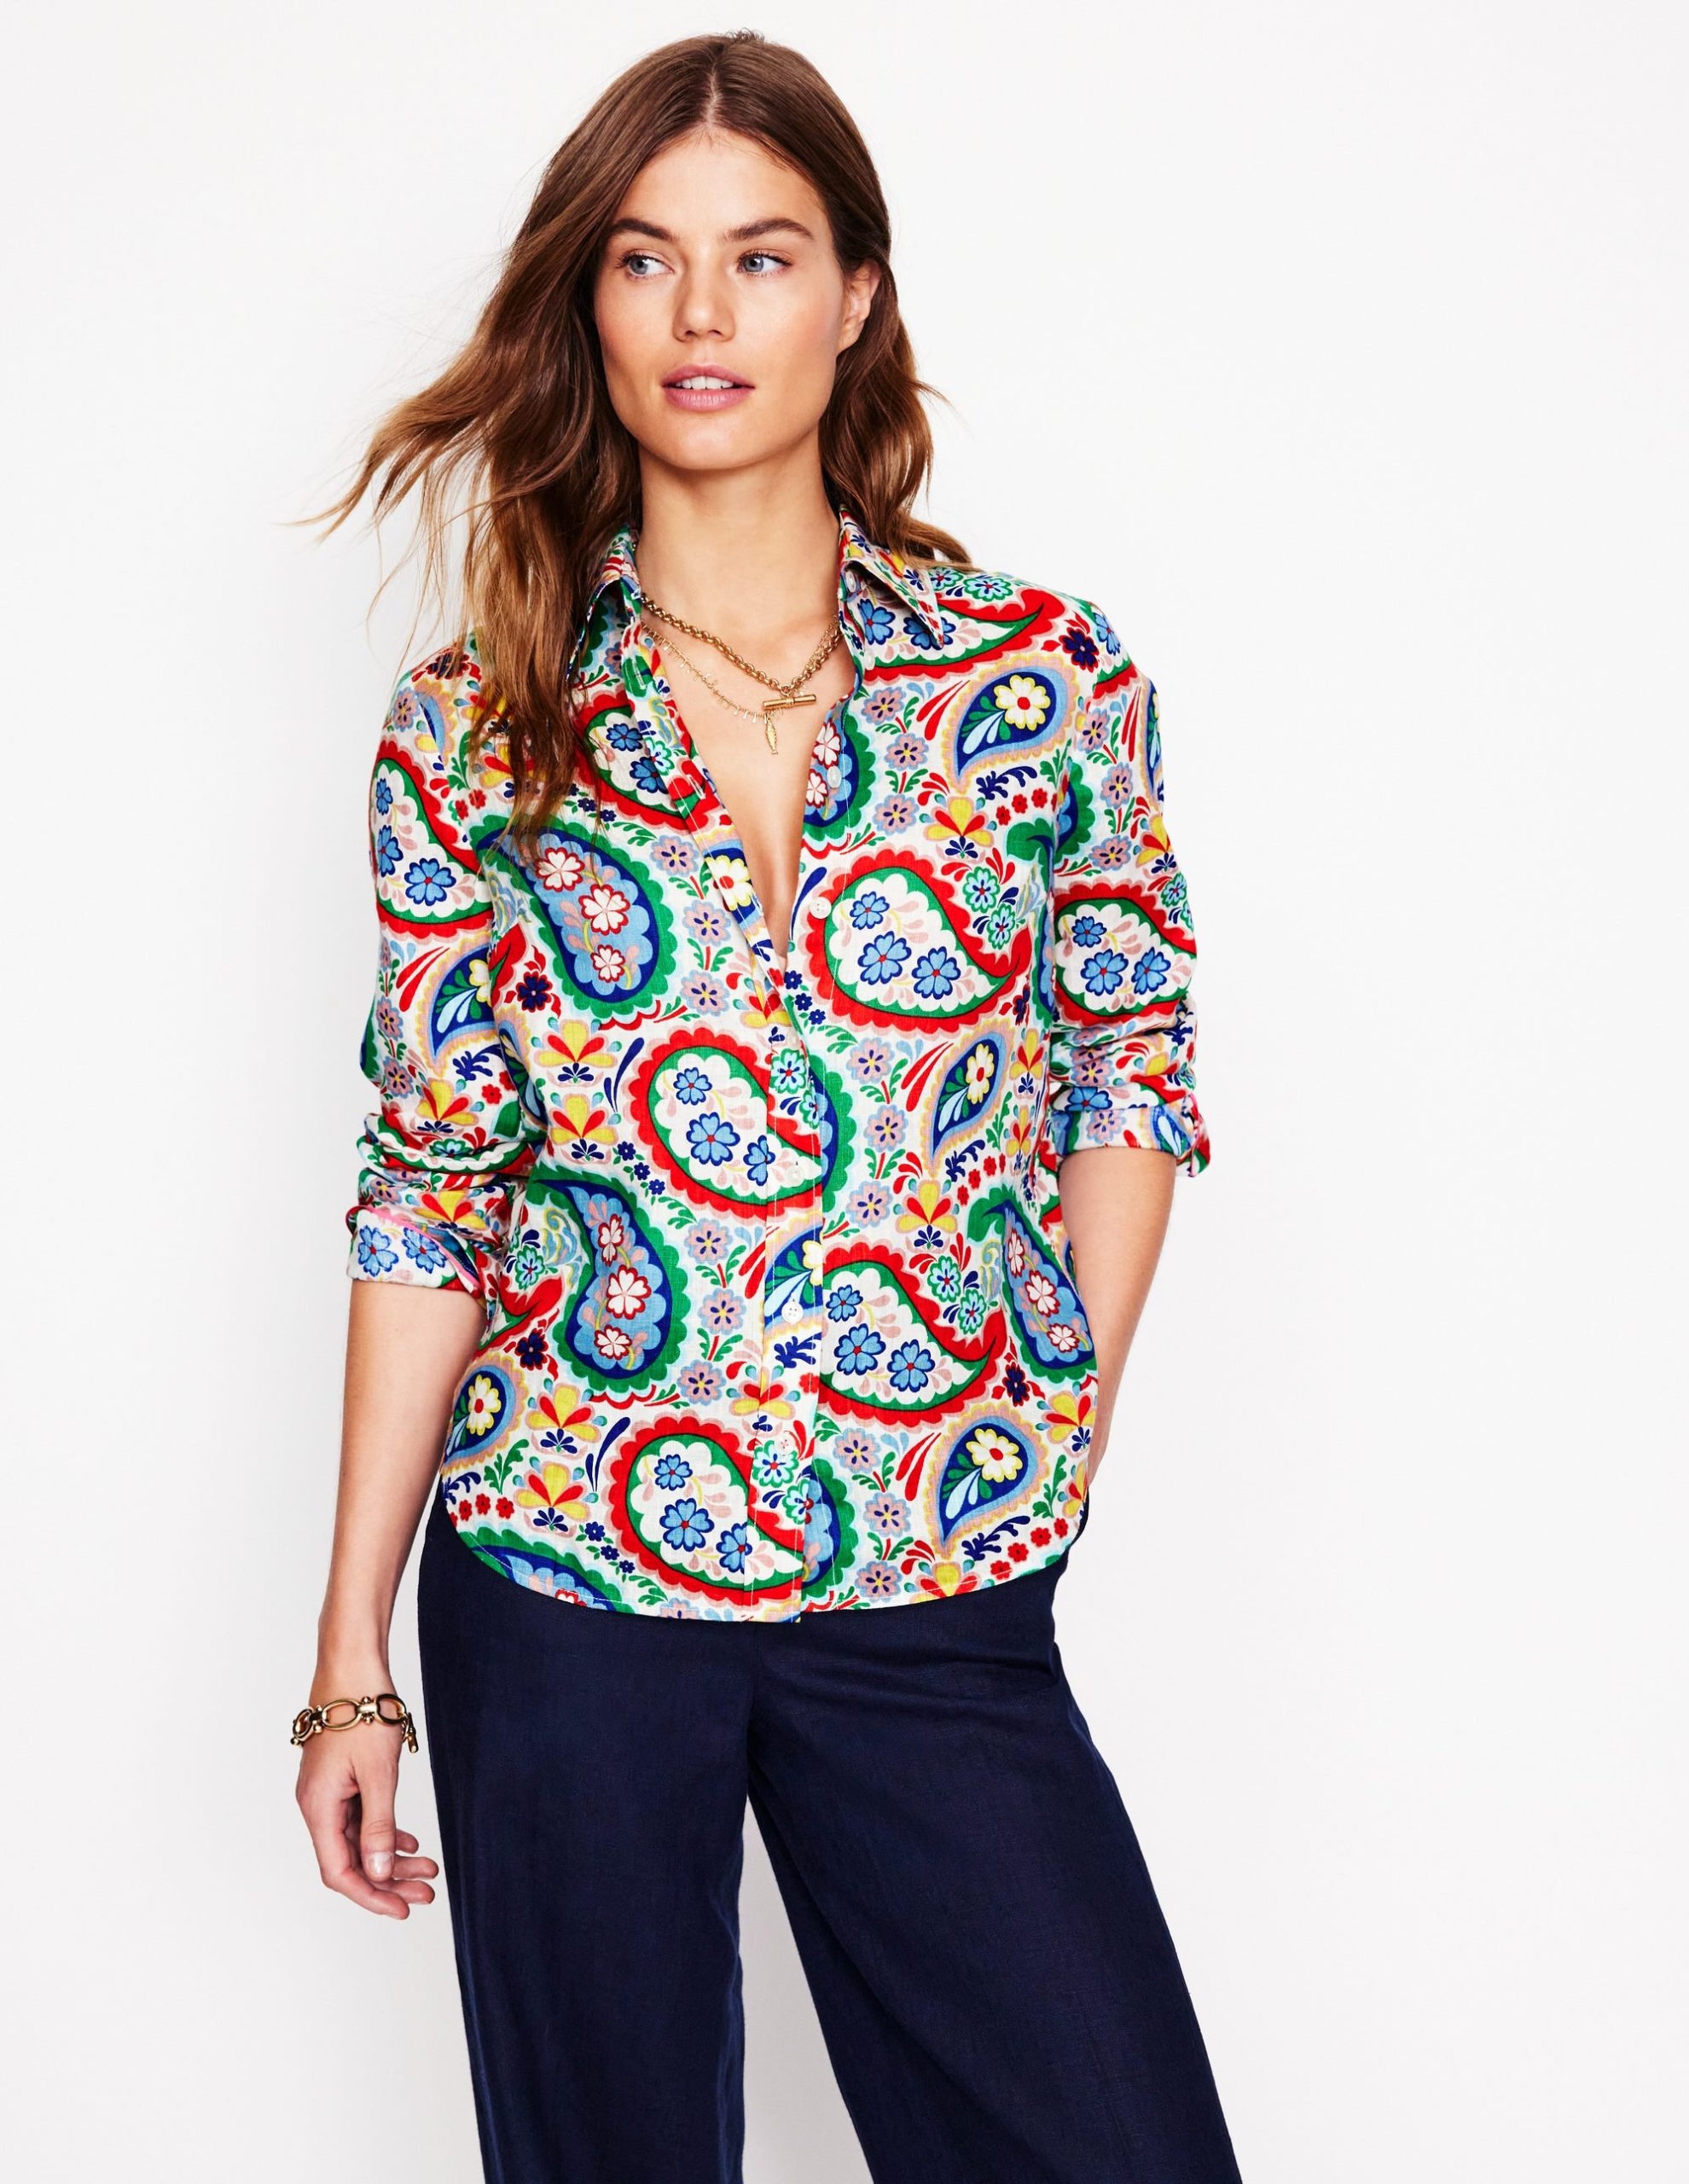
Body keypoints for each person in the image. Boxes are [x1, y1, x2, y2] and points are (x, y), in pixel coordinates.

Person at [293, 30, 1242, 2184]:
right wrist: (352, 1656)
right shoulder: (480, 725)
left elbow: (1130, 1058)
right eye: (645, 258)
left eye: (764, 253)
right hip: (565, 1573)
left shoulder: (1036, 674)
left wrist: (1059, 1409)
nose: (703, 312)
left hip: (935, 1568)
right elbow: (430, 1188)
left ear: (857, 293)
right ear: (591, 304)